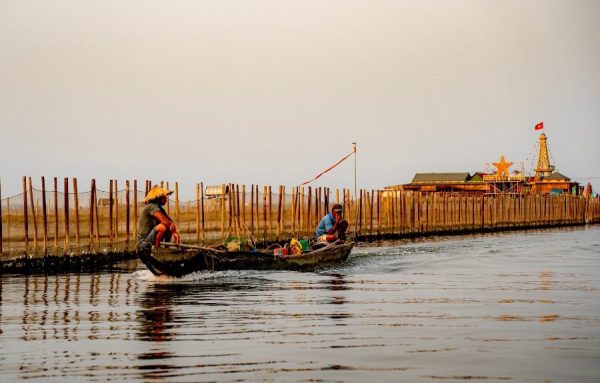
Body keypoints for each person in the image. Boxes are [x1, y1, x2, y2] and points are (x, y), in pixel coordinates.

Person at [137, 185, 181, 251]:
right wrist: (174, 232)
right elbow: (163, 220)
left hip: (151, 238)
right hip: (144, 241)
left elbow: (170, 221)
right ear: (158, 198)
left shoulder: (160, 209)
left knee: (168, 228)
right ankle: (157, 249)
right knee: (162, 227)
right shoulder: (151, 206)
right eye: (164, 197)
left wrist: (174, 230)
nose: (166, 199)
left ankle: (166, 249)